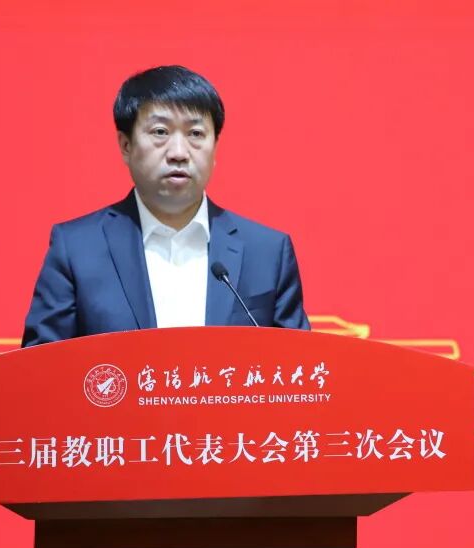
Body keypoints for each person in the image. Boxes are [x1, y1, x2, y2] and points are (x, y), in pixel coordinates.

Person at [21, 65, 309, 347]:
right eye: (160, 132)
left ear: (215, 146)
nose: (179, 153)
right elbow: (39, 369)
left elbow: (299, 367)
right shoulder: (77, 249)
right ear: (126, 145)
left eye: (195, 134)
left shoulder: (267, 253)